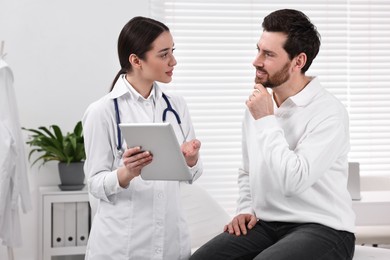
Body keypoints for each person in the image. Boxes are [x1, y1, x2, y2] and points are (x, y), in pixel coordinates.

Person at [190, 9, 355, 260]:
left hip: (323, 227)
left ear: (298, 61)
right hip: (267, 224)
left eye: (268, 54)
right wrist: (245, 208)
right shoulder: (259, 104)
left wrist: (266, 119)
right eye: (258, 50)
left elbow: (294, 181)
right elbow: (248, 169)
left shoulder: (328, 112)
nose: (256, 61)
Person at [82, 16, 203, 260]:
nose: (173, 61)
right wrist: (126, 173)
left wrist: (191, 160)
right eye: (163, 54)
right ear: (136, 60)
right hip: (122, 245)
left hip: (171, 241)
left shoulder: (177, 107)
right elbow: (94, 184)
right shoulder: (102, 111)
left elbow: (192, 175)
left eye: (173, 52)